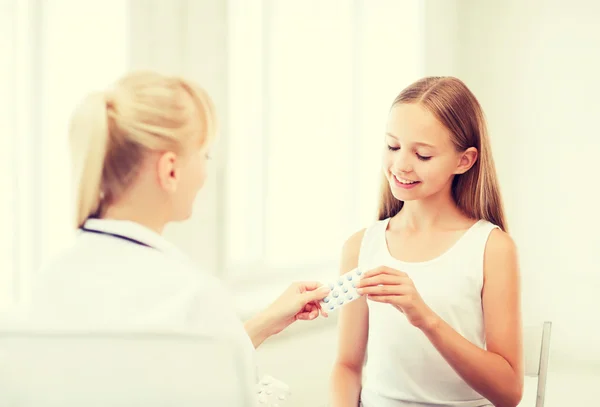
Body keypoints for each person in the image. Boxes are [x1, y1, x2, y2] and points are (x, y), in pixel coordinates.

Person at [20, 70, 330, 385]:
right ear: (170, 170)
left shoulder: (48, 281)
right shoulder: (191, 294)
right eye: (204, 155)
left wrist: (264, 321)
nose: (205, 174)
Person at [329, 77, 523, 407]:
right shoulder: (361, 246)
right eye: (393, 147)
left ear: (464, 160)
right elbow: (347, 365)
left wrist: (425, 318)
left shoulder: (492, 248)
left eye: (422, 154)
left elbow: (509, 393)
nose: (401, 165)